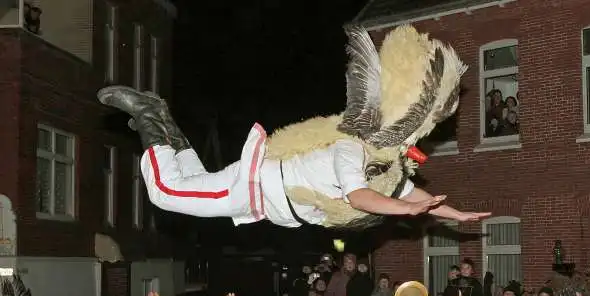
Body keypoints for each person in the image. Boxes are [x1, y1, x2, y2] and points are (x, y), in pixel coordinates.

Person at [97, 25, 490, 230]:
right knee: (166, 194)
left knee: (191, 179)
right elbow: (359, 199)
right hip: (254, 188)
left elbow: (409, 189)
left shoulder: (384, 167)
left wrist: (453, 214)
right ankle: (149, 117)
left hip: (260, 198)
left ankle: (163, 122)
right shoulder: (350, 150)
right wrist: (404, 209)